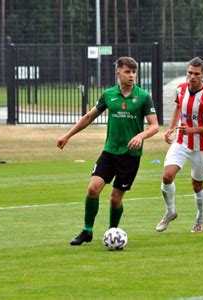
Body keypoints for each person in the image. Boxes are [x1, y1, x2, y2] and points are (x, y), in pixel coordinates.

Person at [57, 56, 159, 246]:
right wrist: (67, 136)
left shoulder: (143, 97)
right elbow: (89, 117)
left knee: (114, 199)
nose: (131, 75)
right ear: (118, 72)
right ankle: (87, 231)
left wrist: (140, 136)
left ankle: (112, 232)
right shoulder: (109, 95)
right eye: (127, 71)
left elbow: (154, 126)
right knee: (92, 188)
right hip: (109, 152)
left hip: (130, 157)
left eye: (134, 72)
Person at [156, 57, 203, 233]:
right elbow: (178, 108)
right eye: (190, 73)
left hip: (200, 146)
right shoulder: (181, 90)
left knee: (197, 185)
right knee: (167, 176)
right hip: (180, 142)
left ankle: (201, 216)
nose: (192, 77)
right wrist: (170, 128)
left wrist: (193, 130)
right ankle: (170, 211)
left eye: (196, 74)